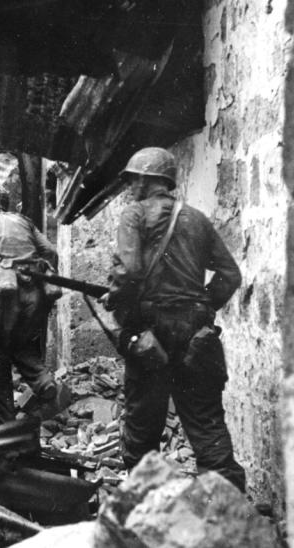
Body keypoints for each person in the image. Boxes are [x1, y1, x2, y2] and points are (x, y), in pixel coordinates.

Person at [104, 147, 246, 491]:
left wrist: (116, 295)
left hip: (150, 331)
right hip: (196, 334)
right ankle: (230, 517)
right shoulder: (196, 218)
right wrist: (202, 307)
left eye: (134, 179)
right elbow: (230, 275)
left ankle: (145, 513)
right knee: (207, 424)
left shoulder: (134, 215)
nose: (130, 187)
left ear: (149, 179)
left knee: (141, 430)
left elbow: (129, 270)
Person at [0, 184, 60, 427]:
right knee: (22, 345)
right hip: (34, 293)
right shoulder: (22, 220)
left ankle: (5, 425)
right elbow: (50, 251)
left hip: (3, 296)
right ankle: (45, 385)